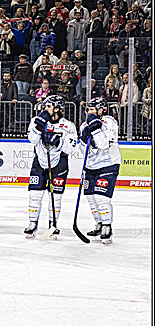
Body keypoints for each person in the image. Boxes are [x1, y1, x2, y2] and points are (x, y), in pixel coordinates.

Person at [24, 95, 78, 238]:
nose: (45, 109)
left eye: (48, 106)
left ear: (58, 108)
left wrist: (57, 142)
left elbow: (71, 148)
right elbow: (32, 140)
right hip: (40, 163)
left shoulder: (69, 126)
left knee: (56, 196)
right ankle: (32, 223)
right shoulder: (36, 121)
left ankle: (53, 225)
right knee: (34, 195)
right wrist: (38, 127)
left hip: (59, 164)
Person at [78, 96, 121, 244]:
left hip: (108, 164)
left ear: (101, 110)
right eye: (87, 110)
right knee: (91, 198)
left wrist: (95, 129)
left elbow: (103, 144)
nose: (89, 113)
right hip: (90, 166)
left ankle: (107, 226)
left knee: (101, 198)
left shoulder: (109, 122)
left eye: (92, 110)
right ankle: (99, 223)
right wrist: (83, 139)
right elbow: (81, 151)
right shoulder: (84, 125)